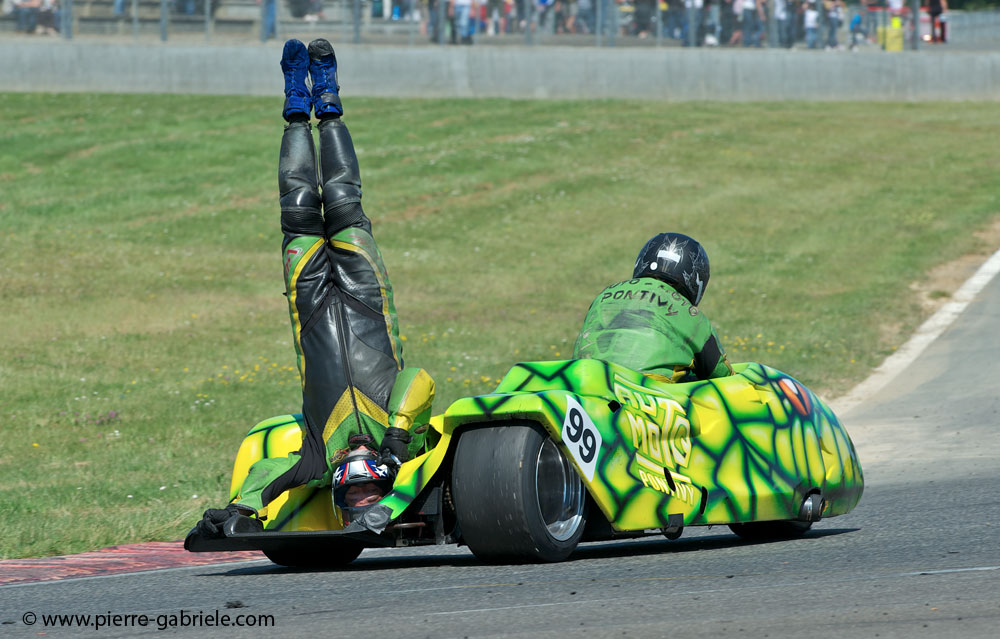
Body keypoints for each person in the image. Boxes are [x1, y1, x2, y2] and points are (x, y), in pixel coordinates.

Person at [196, 38, 434, 539]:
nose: (360, 493)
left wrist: (240, 509)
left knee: (299, 206)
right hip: (366, 295)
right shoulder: (406, 449)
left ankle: (294, 107)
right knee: (344, 200)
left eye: (353, 499)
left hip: (310, 302)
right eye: (368, 496)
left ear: (339, 493)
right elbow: (419, 381)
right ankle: (328, 101)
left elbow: (268, 475)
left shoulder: (318, 460)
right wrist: (393, 441)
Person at [573, 233, 732, 383]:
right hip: (642, 394)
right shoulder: (692, 316)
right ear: (697, 279)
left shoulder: (604, 295)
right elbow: (723, 377)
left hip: (583, 379)